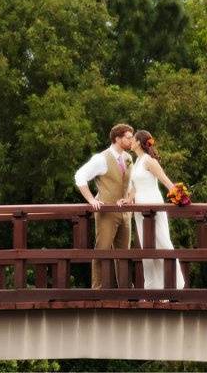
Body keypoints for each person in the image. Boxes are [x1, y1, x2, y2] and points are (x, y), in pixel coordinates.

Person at [118, 130, 185, 289]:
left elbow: (166, 181)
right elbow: (134, 187)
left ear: (139, 142)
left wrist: (181, 197)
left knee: (162, 243)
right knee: (147, 247)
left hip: (153, 205)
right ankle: (153, 288)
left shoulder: (149, 161)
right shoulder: (137, 161)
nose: (131, 142)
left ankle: (174, 285)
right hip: (140, 210)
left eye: (133, 140)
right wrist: (127, 200)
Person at [74, 123, 134, 289]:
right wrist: (91, 199)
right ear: (117, 138)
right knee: (102, 249)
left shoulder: (129, 158)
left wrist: (129, 197)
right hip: (106, 211)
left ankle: (125, 289)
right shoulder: (101, 159)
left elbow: (130, 184)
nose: (131, 141)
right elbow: (80, 176)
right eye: (128, 138)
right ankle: (98, 289)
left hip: (125, 212)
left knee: (124, 253)